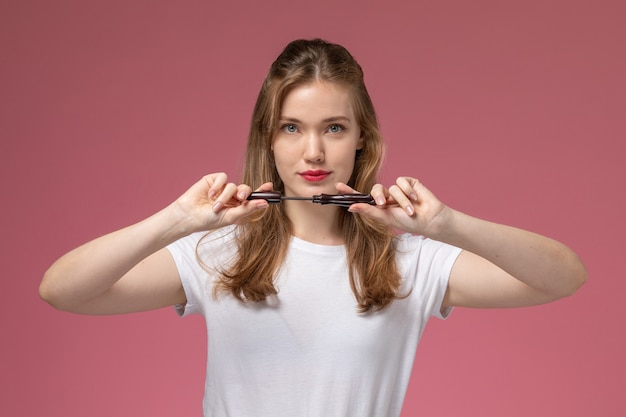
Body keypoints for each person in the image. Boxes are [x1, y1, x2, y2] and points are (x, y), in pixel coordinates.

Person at [39, 39, 587, 416]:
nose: (314, 150)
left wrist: (447, 224)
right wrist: (175, 221)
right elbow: (63, 291)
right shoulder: (218, 254)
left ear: (360, 140)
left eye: (334, 127)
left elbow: (562, 277)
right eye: (292, 128)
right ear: (269, 140)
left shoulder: (410, 263)